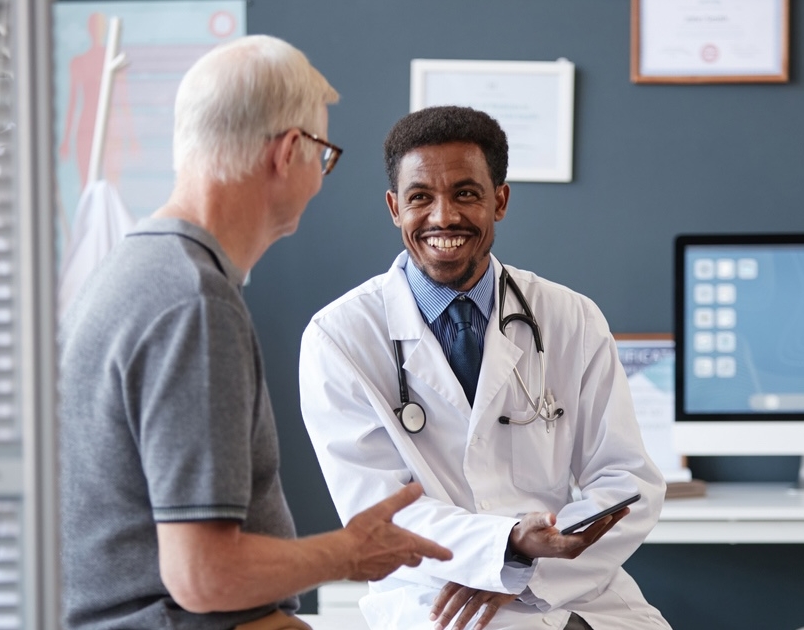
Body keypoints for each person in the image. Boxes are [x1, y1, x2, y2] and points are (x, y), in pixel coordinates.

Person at [58, 36, 452, 630]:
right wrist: (351, 553)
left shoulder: (129, 271)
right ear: (289, 150)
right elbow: (204, 575)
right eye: (322, 154)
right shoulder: (193, 303)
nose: (320, 177)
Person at [299, 106, 672, 630]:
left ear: (500, 200)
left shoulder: (571, 317)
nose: (443, 217)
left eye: (466, 194)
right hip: (438, 595)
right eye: (420, 197)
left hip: (578, 592)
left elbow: (628, 479)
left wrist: (525, 568)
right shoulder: (340, 336)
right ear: (393, 208)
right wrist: (503, 549)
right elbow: (379, 513)